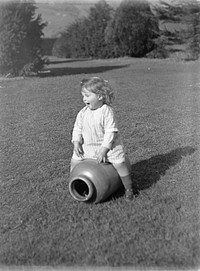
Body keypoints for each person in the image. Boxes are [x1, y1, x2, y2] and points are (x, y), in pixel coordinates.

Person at [70, 76, 137, 201]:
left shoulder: (106, 111)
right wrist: (76, 142)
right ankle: (75, 182)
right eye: (83, 96)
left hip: (109, 147)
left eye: (87, 96)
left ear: (100, 96)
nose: (84, 99)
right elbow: (77, 129)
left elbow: (110, 132)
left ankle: (129, 188)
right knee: (75, 160)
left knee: (120, 163)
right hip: (88, 146)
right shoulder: (83, 113)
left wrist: (104, 149)